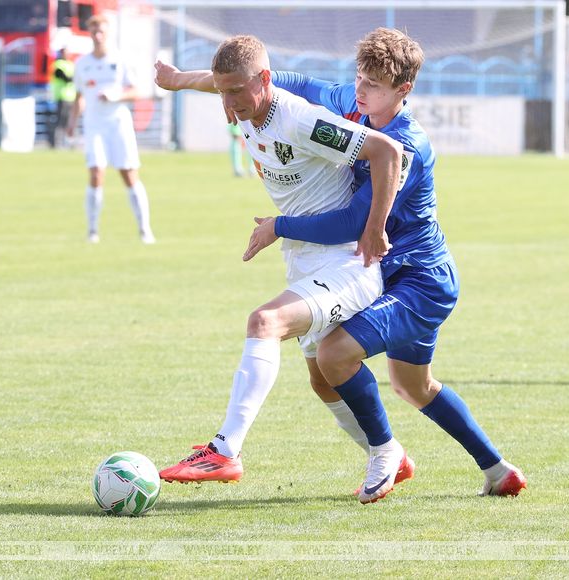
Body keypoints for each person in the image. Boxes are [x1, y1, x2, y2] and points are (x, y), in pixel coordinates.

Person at [244, 28, 527, 497]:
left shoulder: (406, 147)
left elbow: (354, 222)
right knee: (413, 387)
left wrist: (280, 226)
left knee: (333, 355)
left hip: (420, 280)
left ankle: (384, 453)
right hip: (391, 275)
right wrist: (219, 82)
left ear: (403, 90)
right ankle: (499, 472)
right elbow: (295, 82)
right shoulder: (355, 103)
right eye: (359, 77)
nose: (360, 90)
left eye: (373, 84)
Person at [154, 35, 410, 504]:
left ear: (265, 80)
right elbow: (215, 81)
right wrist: (176, 81)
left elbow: (387, 153)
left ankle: (225, 450)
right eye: (223, 92)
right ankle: (389, 452)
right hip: (304, 261)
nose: (228, 102)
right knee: (322, 380)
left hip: (347, 263)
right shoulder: (241, 99)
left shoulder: (301, 120)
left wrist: (375, 229)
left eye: (237, 91)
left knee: (264, 322)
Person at [67, 15, 155, 245]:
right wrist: (71, 123)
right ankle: (92, 230)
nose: (98, 36)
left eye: (101, 32)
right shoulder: (82, 63)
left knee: (129, 174)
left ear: (107, 34)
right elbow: (79, 96)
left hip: (118, 124)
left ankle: (145, 229)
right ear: (89, 34)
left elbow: (136, 91)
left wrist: (115, 96)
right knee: (96, 173)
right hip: (94, 125)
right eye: (94, 32)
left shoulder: (120, 60)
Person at [48, 48, 75, 149]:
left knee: (70, 121)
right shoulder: (58, 64)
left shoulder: (71, 64)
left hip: (71, 97)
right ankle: (56, 143)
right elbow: (64, 78)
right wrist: (74, 79)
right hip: (62, 97)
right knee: (60, 121)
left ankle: (69, 142)